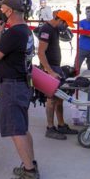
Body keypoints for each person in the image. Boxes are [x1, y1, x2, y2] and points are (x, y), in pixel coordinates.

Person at [0, 0, 40, 179]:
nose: (0, 11)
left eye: (3, 9)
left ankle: (30, 172)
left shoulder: (13, 33)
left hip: (12, 85)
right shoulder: (25, 31)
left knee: (16, 130)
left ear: (10, 11)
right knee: (22, 128)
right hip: (20, 83)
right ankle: (30, 164)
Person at [37, 10, 80, 140]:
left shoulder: (54, 28)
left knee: (59, 98)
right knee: (51, 99)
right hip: (50, 69)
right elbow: (40, 52)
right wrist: (49, 71)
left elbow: (56, 13)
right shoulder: (46, 29)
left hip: (56, 68)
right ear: (60, 20)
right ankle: (50, 128)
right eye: (66, 24)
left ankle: (61, 125)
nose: (66, 27)